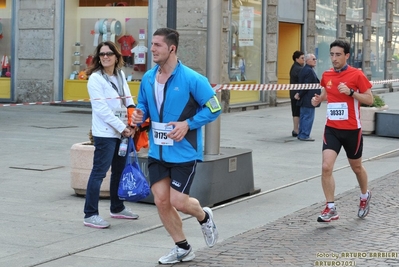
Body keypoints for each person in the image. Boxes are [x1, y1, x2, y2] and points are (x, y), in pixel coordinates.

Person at [130, 28, 221, 264]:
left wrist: (187, 124)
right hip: (157, 151)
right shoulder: (149, 77)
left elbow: (214, 108)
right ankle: (182, 248)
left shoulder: (193, 79)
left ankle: (204, 215)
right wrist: (139, 115)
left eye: (158, 45)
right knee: (161, 200)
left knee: (178, 202)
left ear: (172, 48)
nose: (152, 49)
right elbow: (143, 106)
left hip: (184, 151)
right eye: (152, 44)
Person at [311, 39, 373, 223]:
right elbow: (326, 93)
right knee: (325, 167)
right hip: (332, 128)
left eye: (338, 55)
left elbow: (369, 99)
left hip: (352, 130)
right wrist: (318, 99)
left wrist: (351, 93)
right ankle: (331, 208)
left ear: (347, 55)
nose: (334, 58)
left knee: (356, 167)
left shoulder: (357, 75)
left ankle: (364, 196)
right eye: (332, 54)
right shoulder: (327, 74)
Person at [83, 41, 139, 229]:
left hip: (122, 130)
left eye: (109, 53)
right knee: (99, 173)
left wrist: (132, 123)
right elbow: (101, 109)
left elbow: (128, 99)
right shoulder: (95, 79)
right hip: (106, 133)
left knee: (119, 171)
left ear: (116, 56)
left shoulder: (120, 75)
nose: (105, 57)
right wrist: (122, 127)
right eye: (101, 54)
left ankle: (117, 207)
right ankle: (90, 214)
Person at [296, 53, 321, 141]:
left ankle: (302, 134)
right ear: (307, 60)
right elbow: (306, 85)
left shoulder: (306, 69)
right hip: (308, 99)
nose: (315, 61)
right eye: (313, 59)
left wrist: (299, 94)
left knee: (304, 116)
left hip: (305, 98)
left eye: (315, 59)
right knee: (307, 117)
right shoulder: (308, 70)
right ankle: (304, 135)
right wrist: (299, 94)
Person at [289, 50, 305, 137]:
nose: (304, 60)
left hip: (294, 93)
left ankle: (296, 129)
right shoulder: (298, 68)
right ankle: (296, 130)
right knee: (296, 112)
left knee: (296, 112)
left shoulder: (294, 67)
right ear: (296, 59)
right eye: (302, 58)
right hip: (296, 94)